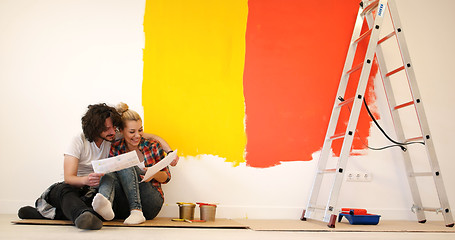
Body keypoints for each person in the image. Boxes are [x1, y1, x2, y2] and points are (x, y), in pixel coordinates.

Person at [18, 103, 177, 230]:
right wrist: (87, 180)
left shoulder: (122, 140)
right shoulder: (90, 142)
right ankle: (80, 215)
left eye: (112, 127)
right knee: (66, 191)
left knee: (115, 172)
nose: (111, 131)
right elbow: (69, 178)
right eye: (106, 129)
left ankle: (55, 213)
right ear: (95, 129)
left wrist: (167, 153)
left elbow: (143, 137)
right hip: (84, 188)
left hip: (122, 194)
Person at [92, 102, 171, 225]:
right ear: (121, 131)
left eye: (140, 130)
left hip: (150, 203)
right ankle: (105, 201)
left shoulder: (153, 146)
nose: (137, 135)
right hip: (124, 205)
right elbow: (113, 177)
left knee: (125, 163)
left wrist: (153, 174)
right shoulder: (116, 147)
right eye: (132, 132)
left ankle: (137, 211)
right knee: (109, 172)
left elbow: (167, 177)